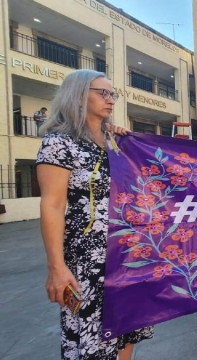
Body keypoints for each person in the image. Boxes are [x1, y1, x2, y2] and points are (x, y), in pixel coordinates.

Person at [37, 69, 153, 360]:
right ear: (77, 96)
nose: (110, 99)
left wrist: (130, 144)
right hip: (88, 258)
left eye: (112, 93)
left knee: (127, 328)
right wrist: (56, 267)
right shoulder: (59, 143)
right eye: (102, 92)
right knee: (90, 333)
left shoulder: (115, 142)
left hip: (126, 250)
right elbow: (52, 205)